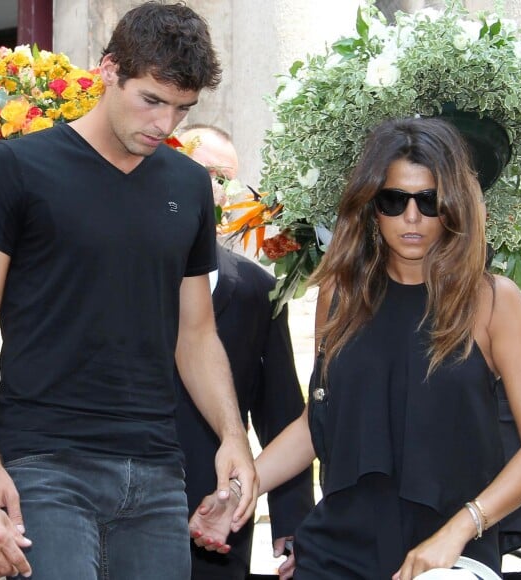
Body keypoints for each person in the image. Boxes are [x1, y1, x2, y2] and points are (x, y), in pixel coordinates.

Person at [189, 116, 521, 579]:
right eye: (394, 200)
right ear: (371, 206)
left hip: (448, 557)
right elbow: (317, 423)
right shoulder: (340, 295)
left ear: (453, 206)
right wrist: (243, 491)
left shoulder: (492, 302)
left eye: (429, 201)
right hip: (336, 551)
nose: (412, 217)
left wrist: (461, 528)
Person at [0, 3, 258, 579]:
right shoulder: (16, 167)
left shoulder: (189, 185)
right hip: (43, 463)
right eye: (152, 100)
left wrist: (233, 437)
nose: (165, 124)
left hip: (157, 472)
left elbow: (195, 335)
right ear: (109, 69)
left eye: (182, 109)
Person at [174, 124, 314, 579]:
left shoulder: (258, 289)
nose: (215, 189)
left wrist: (294, 524)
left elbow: (282, 409)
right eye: (204, 172)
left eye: (226, 178)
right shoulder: (120, 272)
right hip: (121, 503)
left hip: (218, 513)